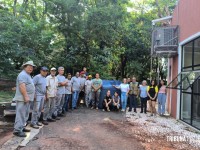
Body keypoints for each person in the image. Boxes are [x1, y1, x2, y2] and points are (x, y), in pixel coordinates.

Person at [13, 61, 36, 137]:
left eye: (32, 67)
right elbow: (22, 86)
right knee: (21, 114)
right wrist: (26, 96)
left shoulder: (28, 75)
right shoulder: (23, 75)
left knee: (25, 114)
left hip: (26, 98)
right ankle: (17, 130)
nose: (31, 68)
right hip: (22, 98)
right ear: (25, 67)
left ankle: (22, 127)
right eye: (29, 66)